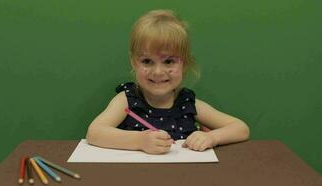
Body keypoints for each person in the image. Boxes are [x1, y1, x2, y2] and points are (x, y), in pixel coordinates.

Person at [86, 9, 250, 154]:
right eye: (147, 61)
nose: (158, 72)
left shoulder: (188, 104)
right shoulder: (128, 101)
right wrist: (139, 141)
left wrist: (212, 137)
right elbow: (94, 133)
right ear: (134, 62)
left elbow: (241, 128)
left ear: (184, 63)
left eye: (169, 61)